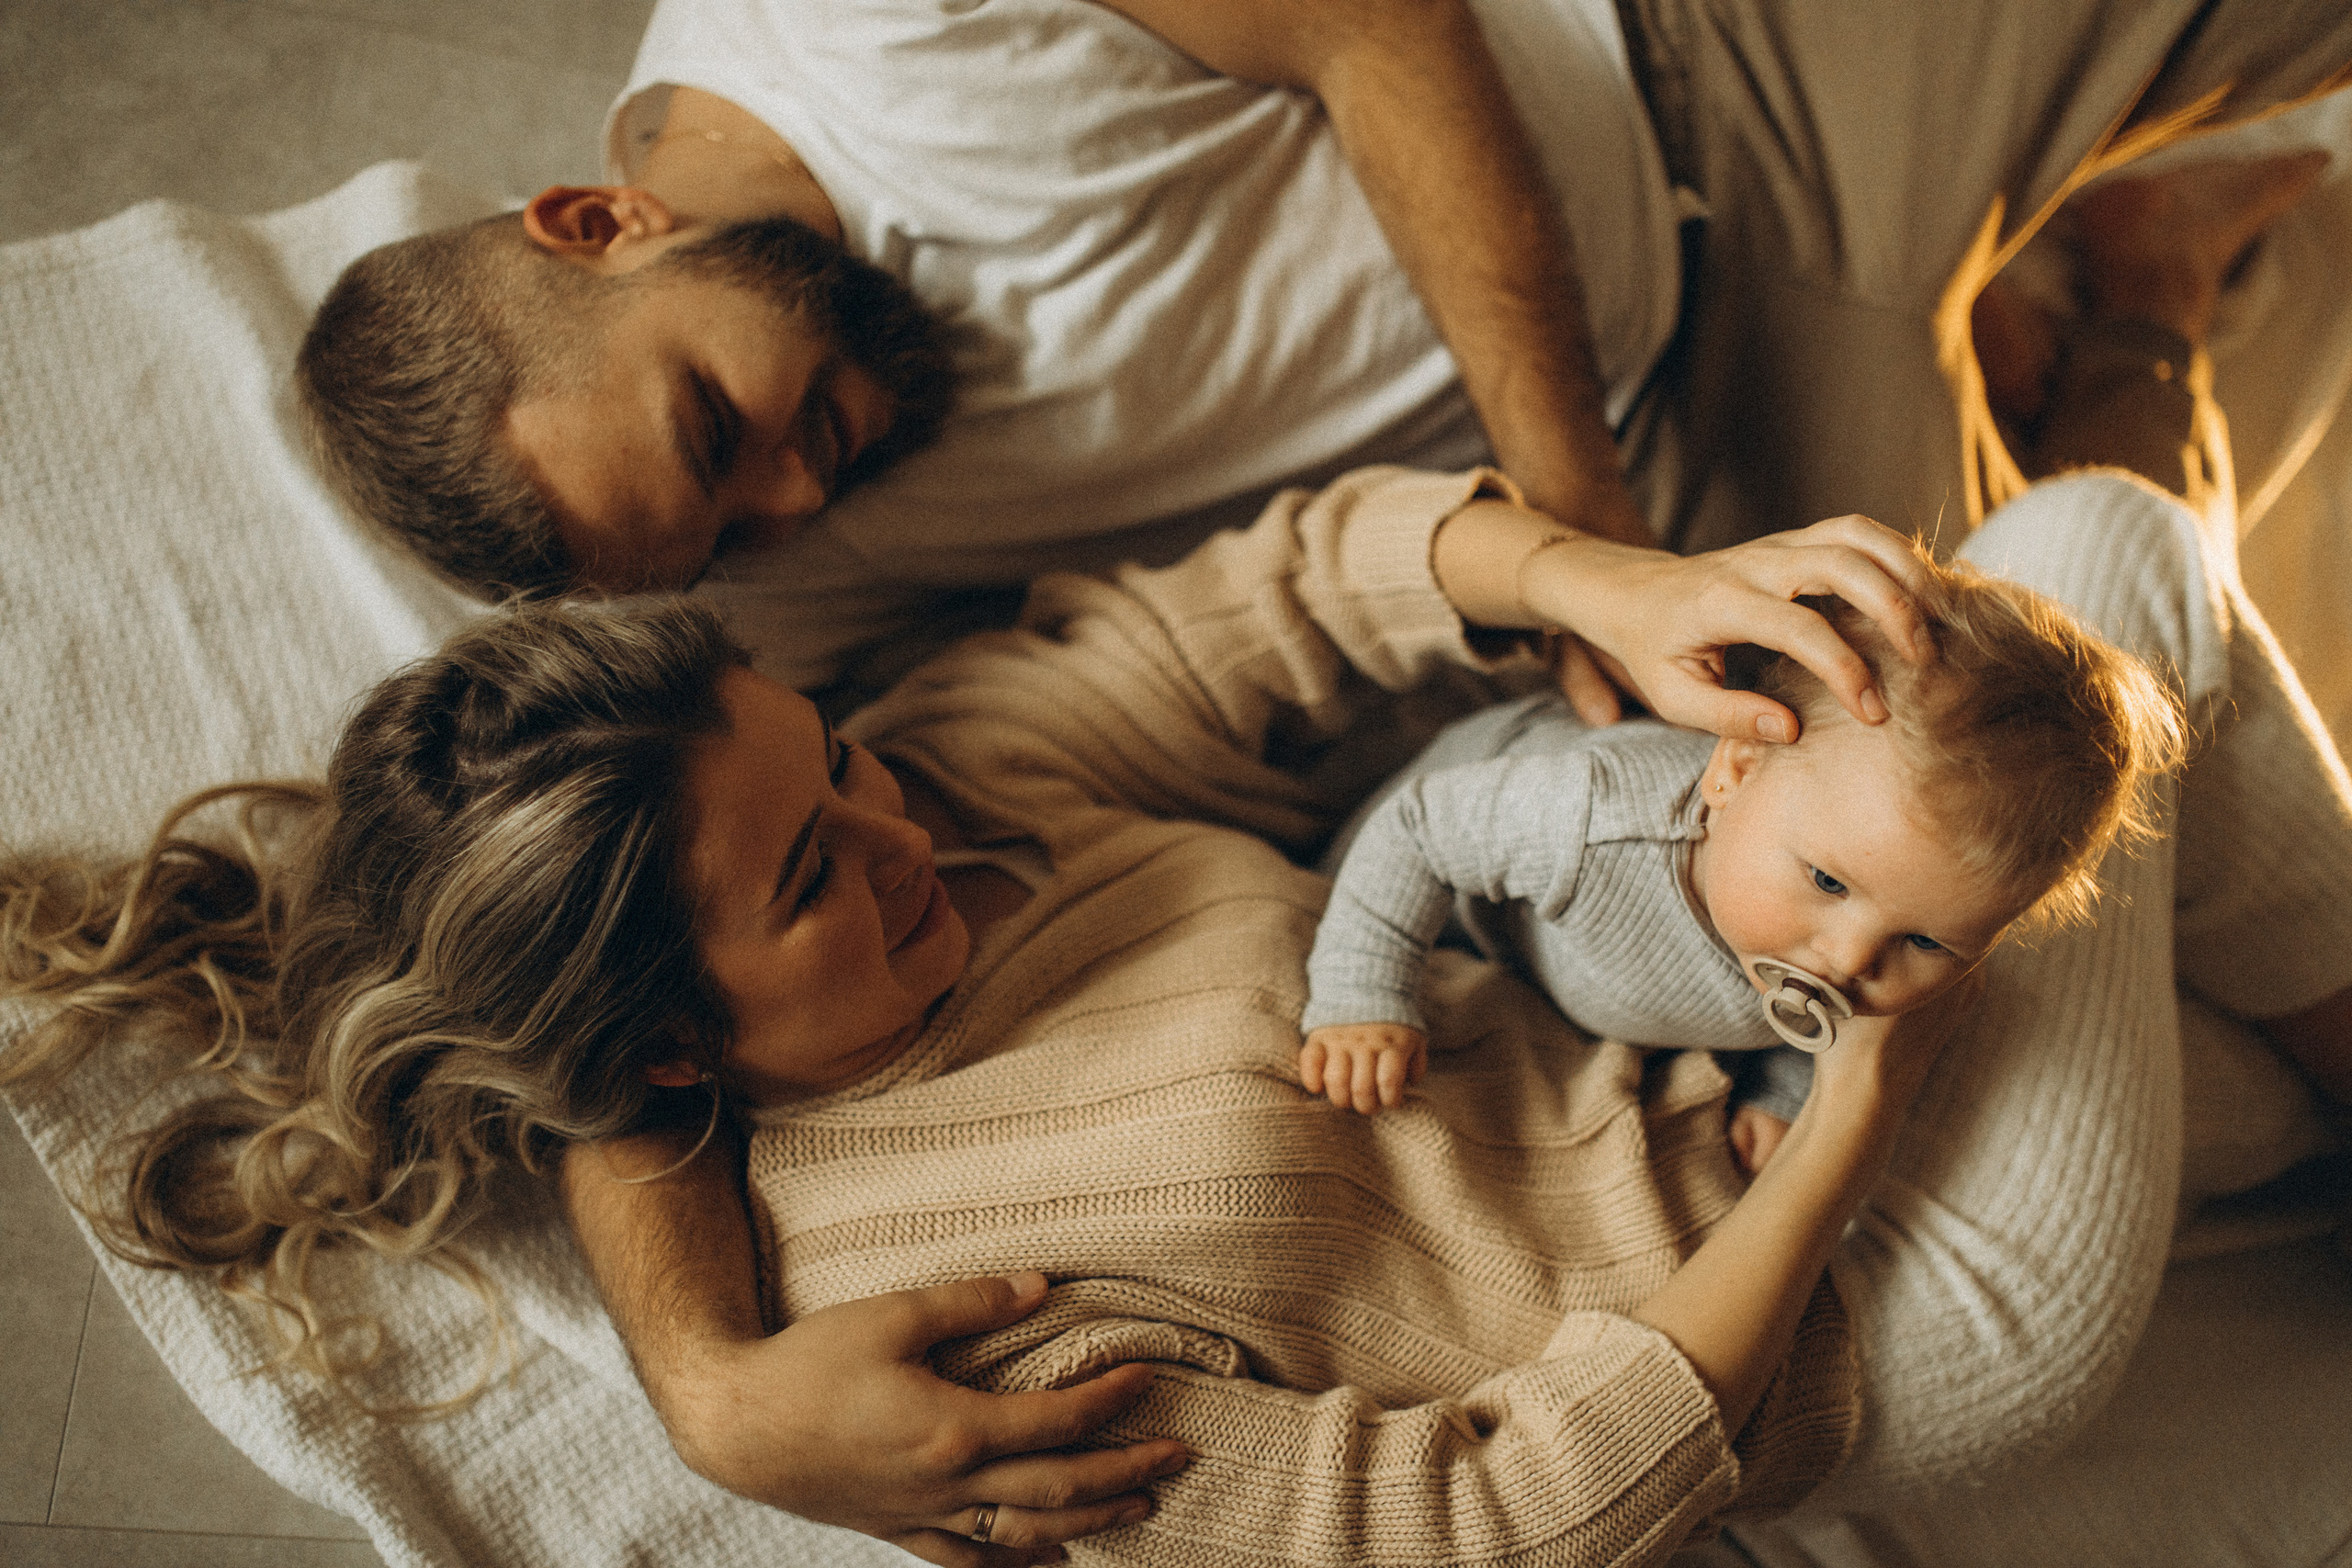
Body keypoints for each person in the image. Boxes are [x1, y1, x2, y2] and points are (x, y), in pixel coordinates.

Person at [9, 458, 2350, 1562]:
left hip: (1717, 1038)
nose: (907, 823)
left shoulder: (966, 783)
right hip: (1874, 1301)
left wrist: (1602, 585)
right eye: (821, 865)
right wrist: (1863, 1112)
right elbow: (1493, 1519)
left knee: (2217, 1068)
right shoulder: (928, 1345)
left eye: (838, 766)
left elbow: (1267, 596)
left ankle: (2301, 1083)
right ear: (658, 1057)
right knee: (2099, 562)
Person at [291, 0, 2352, 694]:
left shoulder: (869, 25)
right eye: (728, 524)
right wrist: (724, 1387)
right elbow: (606, 910)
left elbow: (1379, 22)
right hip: (1695, 417)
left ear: (601, 221)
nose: (800, 492)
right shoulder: (767, 554)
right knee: (2043, 732)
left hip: (1703, 66)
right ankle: (2142, 281)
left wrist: (1584, 523)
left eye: (719, 424)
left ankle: (2043, 260)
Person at [1298, 556, 2185, 1140]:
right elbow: (1414, 829)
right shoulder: (1587, 820)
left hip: (1569, 988)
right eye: (1829, 880)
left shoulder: (1824, 906)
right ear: (1735, 768)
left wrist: (1782, 1094)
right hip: (1432, 888)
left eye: (1927, 942)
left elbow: (1803, 1029)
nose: (1847, 961)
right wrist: (1362, 990)